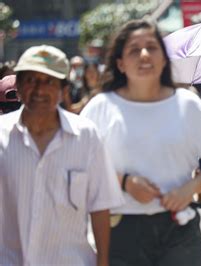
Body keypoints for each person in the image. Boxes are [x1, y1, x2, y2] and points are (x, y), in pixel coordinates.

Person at [81, 19, 201, 265]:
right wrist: (125, 182)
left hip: (180, 231)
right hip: (121, 231)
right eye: (133, 49)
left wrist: (189, 189)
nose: (144, 54)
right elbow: (81, 166)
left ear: (163, 59)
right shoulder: (100, 107)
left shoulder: (187, 104)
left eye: (152, 47)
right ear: (120, 63)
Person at [0, 45, 124, 265]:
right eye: (31, 80)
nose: (39, 89)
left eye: (49, 81)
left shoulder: (86, 136)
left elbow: (100, 208)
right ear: (18, 86)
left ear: (63, 89)